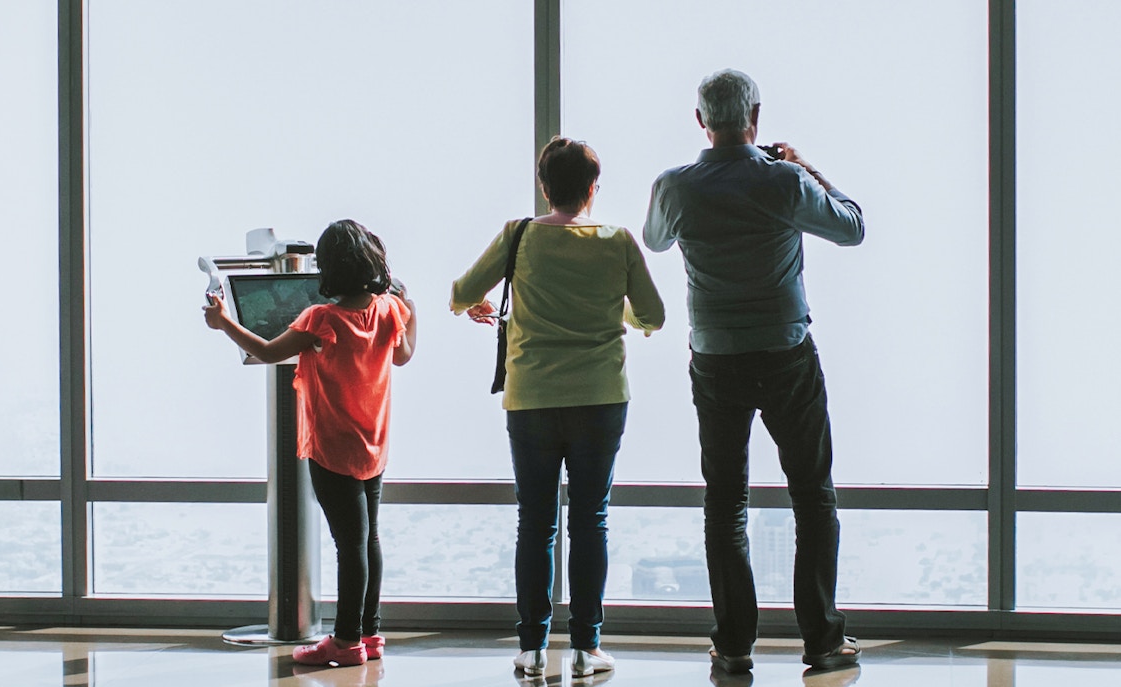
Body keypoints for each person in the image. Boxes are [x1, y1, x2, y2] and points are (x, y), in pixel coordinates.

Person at [642, 69, 865, 674]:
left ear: (700, 122)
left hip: (715, 359)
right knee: (813, 496)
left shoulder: (676, 187)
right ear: (755, 117)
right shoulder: (784, 181)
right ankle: (821, 639)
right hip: (786, 354)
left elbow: (655, 241)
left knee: (725, 503)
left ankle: (734, 643)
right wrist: (806, 166)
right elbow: (853, 227)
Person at [451, 137, 665, 679]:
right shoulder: (616, 241)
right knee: (591, 521)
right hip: (599, 398)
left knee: (536, 523)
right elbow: (654, 315)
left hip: (532, 402)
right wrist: (620, 313)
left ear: (544, 187)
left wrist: (472, 304)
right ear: (593, 189)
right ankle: (587, 649)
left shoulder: (517, 236)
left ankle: (530, 649)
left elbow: (459, 292)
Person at [203, 219, 417, 667]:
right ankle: (370, 634)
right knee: (368, 540)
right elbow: (403, 354)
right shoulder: (389, 310)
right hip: (373, 444)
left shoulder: (321, 318)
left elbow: (266, 351)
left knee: (349, 546)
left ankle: (344, 642)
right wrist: (411, 308)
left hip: (332, 449)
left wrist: (224, 322)